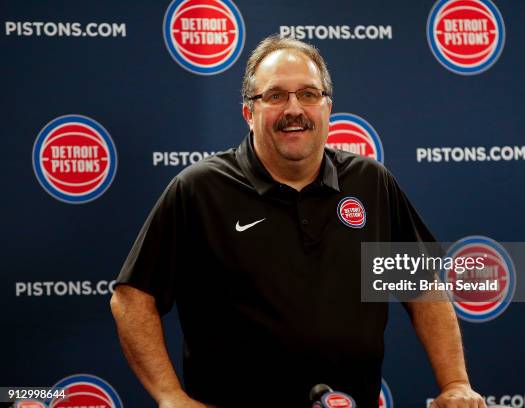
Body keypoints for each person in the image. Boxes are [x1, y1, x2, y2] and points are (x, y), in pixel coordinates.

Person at [110, 35, 486, 408]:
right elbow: (131, 298)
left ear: (327, 107)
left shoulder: (370, 182)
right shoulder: (199, 189)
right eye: (275, 96)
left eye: (308, 94)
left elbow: (421, 288)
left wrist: (455, 382)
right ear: (248, 113)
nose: (295, 109)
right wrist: (171, 397)